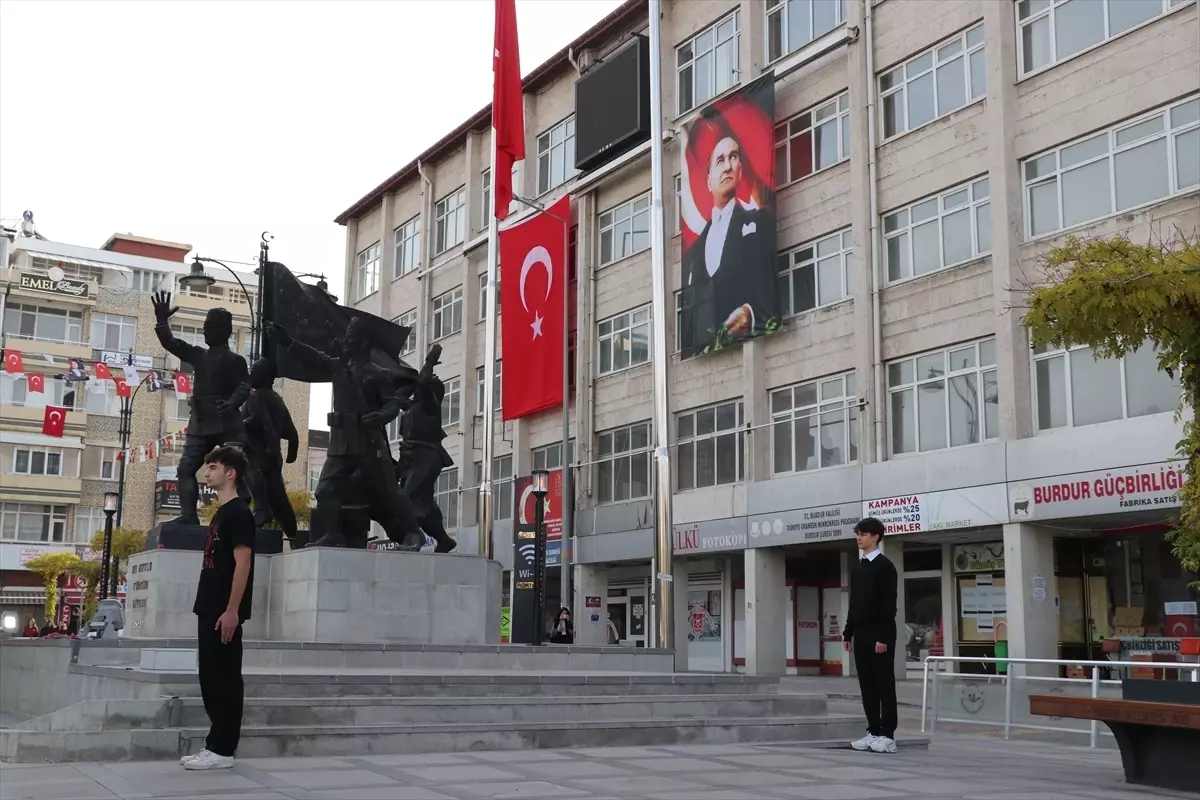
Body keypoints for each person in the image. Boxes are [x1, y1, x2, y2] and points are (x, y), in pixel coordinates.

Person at [181, 446, 256, 771]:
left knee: (224, 678)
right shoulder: (221, 513)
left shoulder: (239, 513)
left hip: (223, 610)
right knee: (210, 677)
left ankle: (224, 749)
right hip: (209, 607)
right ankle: (215, 744)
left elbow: (244, 564)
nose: (206, 473)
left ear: (230, 473)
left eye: (212, 467)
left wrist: (232, 610)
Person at [151, 291, 251, 525]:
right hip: (200, 421)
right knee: (185, 468)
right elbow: (171, 343)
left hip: (227, 421)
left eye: (210, 326)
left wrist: (232, 403)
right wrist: (162, 321)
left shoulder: (235, 360)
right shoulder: (198, 355)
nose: (205, 330)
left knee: (239, 469)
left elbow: (244, 385)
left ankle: (242, 508)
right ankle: (188, 516)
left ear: (225, 331)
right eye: (205, 326)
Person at [681, 128, 774, 354]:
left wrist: (750, 314)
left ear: (740, 170)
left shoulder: (759, 224)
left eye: (733, 157)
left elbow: (769, 285)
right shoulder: (694, 254)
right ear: (708, 180)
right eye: (720, 160)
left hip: (750, 347)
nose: (727, 166)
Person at [843, 517, 899, 754]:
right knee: (867, 686)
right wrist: (848, 632)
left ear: (875, 536)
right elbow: (854, 604)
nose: (859, 537)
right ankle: (873, 731)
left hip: (880, 635)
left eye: (863, 534)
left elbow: (889, 606)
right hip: (862, 635)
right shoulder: (858, 566)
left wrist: (883, 638)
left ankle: (888, 735)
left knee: (884, 684)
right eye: (857, 533)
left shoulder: (885, 567)